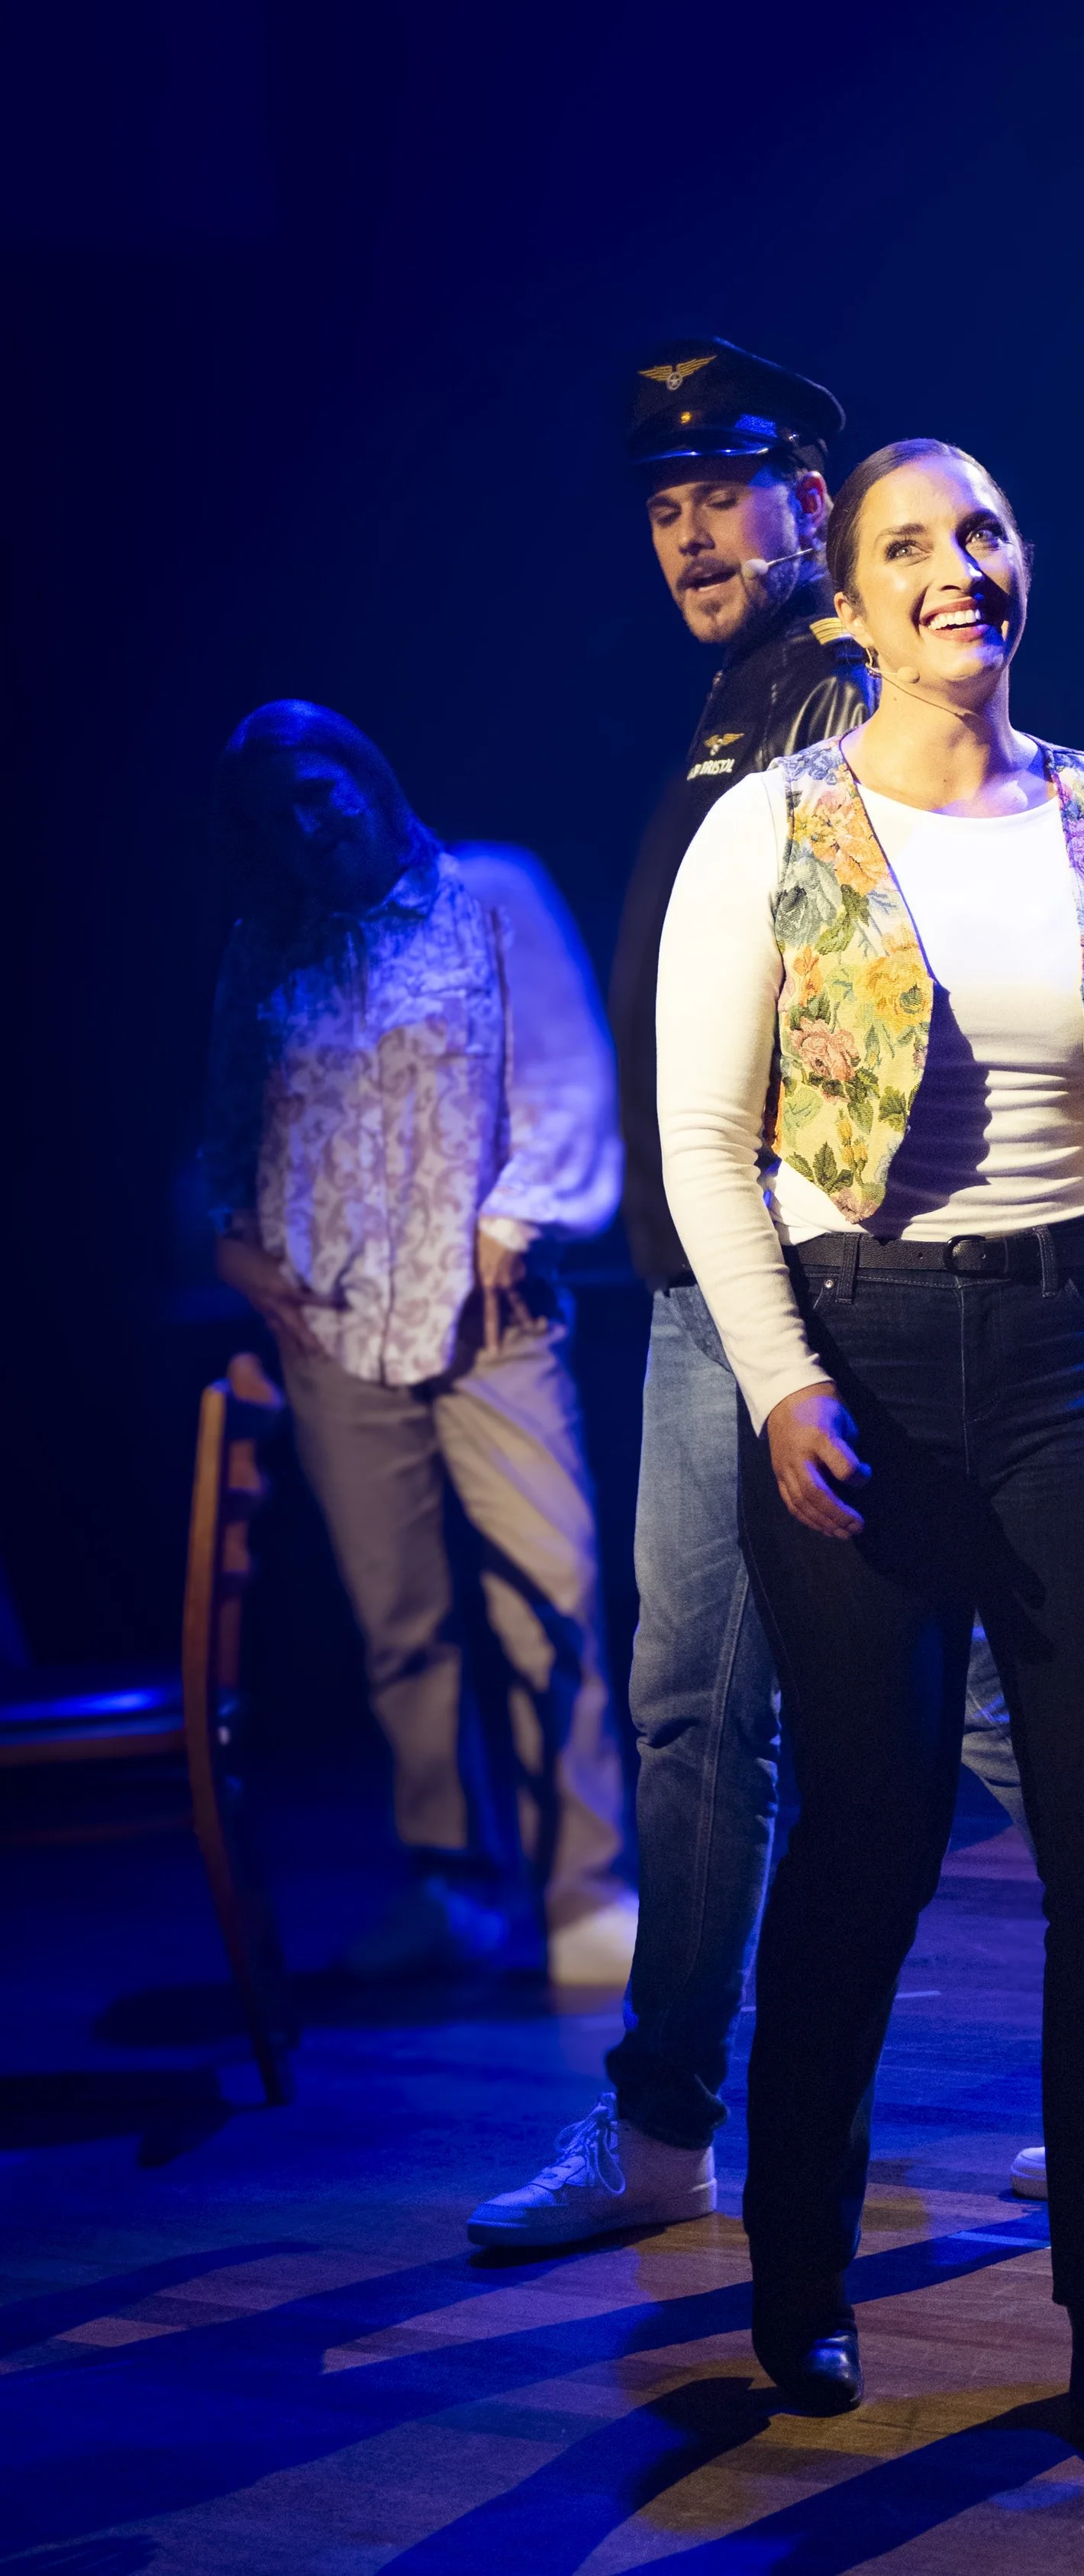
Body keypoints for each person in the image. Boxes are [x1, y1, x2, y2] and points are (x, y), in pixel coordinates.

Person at [470, 352, 1084, 2248]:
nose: (685, 530)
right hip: (747, 1288)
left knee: (853, 1723)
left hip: (859, 1302)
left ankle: (713, 2114)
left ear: (810, 519)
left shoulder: (871, 706)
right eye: (657, 503)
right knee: (780, 1717)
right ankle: (710, 2126)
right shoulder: (738, 721)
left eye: (724, 494)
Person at [654, 436, 1084, 2459]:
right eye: (906, 546)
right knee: (871, 1826)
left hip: (1083, 1348)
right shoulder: (772, 827)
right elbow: (706, 1147)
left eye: (984, 531)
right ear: (847, 603)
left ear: (1021, 566)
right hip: (868, 1357)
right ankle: (800, 2280)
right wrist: (781, 1378)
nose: (955, 568)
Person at [203, 703, 638, 1983]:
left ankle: (584, 1890)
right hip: (330, 1322)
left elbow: (566, 1080)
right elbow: (225, 1131)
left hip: (490, 1317)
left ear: (368, 772)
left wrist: (519, 1218)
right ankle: (450, 1884)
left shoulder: (489, 893)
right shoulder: (263, 947)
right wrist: (226, 1236)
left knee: (548, 1599)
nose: (312, 817)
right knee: (402, 1625)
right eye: (281, 807)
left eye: (323, 784)